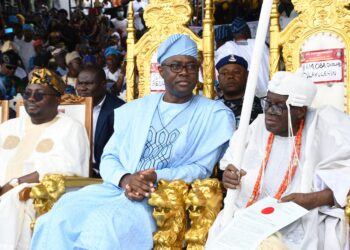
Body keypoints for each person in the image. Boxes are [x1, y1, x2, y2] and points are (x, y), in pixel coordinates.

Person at [31, 34, 235, 249]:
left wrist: (155, 176)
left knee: (102, 227)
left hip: (160, 198)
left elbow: (201, 168)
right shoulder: (134, 109)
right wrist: (125, 178)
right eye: (175, 65)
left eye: (191, 66)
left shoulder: (215, 114)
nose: (184, 72)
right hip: (115, 188)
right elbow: (109, 156)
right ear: (161, 70)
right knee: (56, 218)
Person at [206, 71, 350, 249]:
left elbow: (345, 181)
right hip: (248, 215)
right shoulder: (256, 126)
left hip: (303, 217)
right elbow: (231, 164)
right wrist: (229, 176)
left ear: (300, 111)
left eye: (279, 106)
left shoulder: (327, 126)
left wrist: (313, 199)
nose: (269, 112)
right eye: (268, 103)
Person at [0, 68, 89, 250]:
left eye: (40, 95)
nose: (31, 99)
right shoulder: (8, 126)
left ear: (57, 100)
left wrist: (14, 184)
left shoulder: (70, 128)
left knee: (16, 205)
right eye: (28, 93)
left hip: (35, 198)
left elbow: (65, 169)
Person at [76, 65, 125, 177]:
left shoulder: (119, 109)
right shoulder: (73, 105)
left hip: (103, 172)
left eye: (88, 84)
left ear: (103, 85)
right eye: (80, 83)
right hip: (75, 167)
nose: (82, 88)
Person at [215, 17, 269, 98]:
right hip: (269, 97)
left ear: (233, 35)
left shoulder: (226, 48)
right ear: (248, 31)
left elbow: (218, 77)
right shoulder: (261, 44)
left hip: (246, 99)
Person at [216, 54, 262, 129]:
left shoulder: (262, 106)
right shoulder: (212, 108)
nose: (230, 76)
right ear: (218, 79)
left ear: (247, 76)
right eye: (224, 73)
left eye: (236, 72)